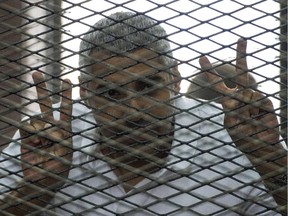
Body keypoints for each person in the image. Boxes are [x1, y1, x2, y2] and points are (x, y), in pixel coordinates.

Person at [0, 12, 286, 215]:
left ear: (175, 79)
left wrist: (270, 158)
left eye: (148, 86)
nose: (133, 109)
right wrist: (35, 191)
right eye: (111, 93)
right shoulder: (47, 143)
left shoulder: (234, 140)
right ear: (84, 92)